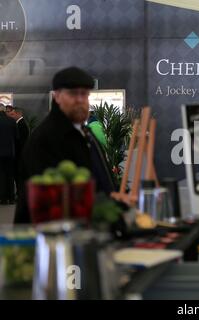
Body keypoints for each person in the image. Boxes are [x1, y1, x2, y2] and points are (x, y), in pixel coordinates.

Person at [15, 66, 116, 223]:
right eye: (73, 93)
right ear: (57, 96)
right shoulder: (46, 138)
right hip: (56, 236)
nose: (80, 100)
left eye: (84, 94)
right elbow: (51, 200)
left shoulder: (83, 132)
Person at [5, 106, 30, 192]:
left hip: (19, 155)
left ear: (18, 114)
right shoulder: (20, 124)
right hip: (20, 155)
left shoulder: (21, 125)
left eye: (12, 114)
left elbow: (20, 142)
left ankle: (21, 193)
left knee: (18, 176)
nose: (11, 116)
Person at [0, 104, 18, 204]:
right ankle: (11, 198)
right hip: (10, 153)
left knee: (1, 175)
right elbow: (17, 137)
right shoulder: (12, 121)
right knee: (10, 175)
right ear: (4, 110)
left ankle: (2, 198)